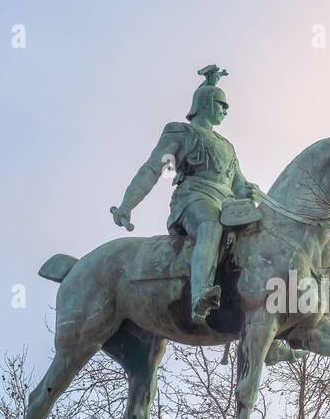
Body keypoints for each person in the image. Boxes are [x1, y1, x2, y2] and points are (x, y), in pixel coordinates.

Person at [110, 65, 260, 324]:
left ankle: (264, 313)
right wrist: (127, 204)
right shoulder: (181, 132)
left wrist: (251, 192)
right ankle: (199, 297)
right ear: (205, 103)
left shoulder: (228, 146)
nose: (226, 110)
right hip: (193, 198)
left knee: (260, 235)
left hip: (227, 204)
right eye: (222, 104)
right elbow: (153, 169)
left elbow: (238, 185)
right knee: (210, 225)